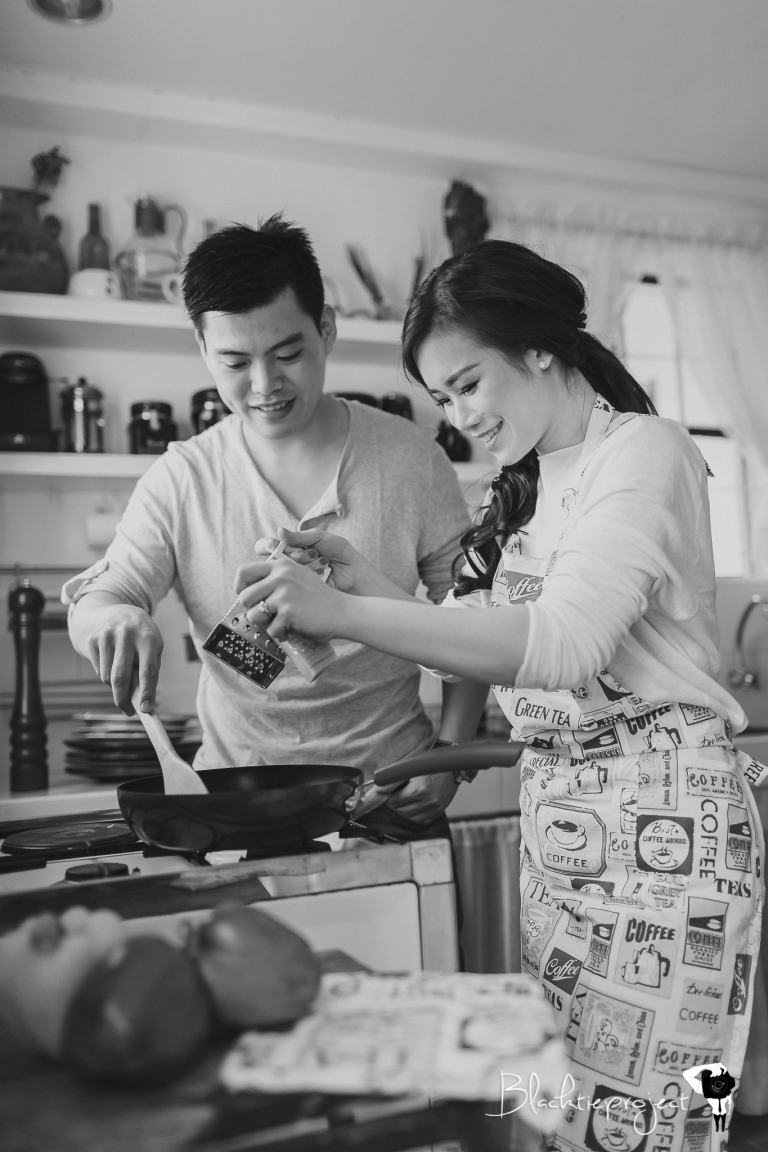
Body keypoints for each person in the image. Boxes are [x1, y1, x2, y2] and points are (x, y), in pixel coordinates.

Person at [236, 239, 766, 1150]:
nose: (460, 417)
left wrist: (346, 614)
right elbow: (479, 648)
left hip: (671, 834)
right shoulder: (522, 487)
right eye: (442, 399)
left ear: (540, 347)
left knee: (663, 1120)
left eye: (468, 384)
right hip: (564, 830)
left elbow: (563, 643)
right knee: (562, 1108)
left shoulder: (646, 452)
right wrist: (362, 580)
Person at [64, 216, 483, 831]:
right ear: (203, 348)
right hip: (235, 803)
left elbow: (471, 613)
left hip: (392, 793)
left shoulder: (411, 457)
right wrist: (113, 619)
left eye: (288, 354)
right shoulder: (182, 477)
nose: (265, 385)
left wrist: (452, 752)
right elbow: (103, 596)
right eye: (236, 361)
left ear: (326, 328)